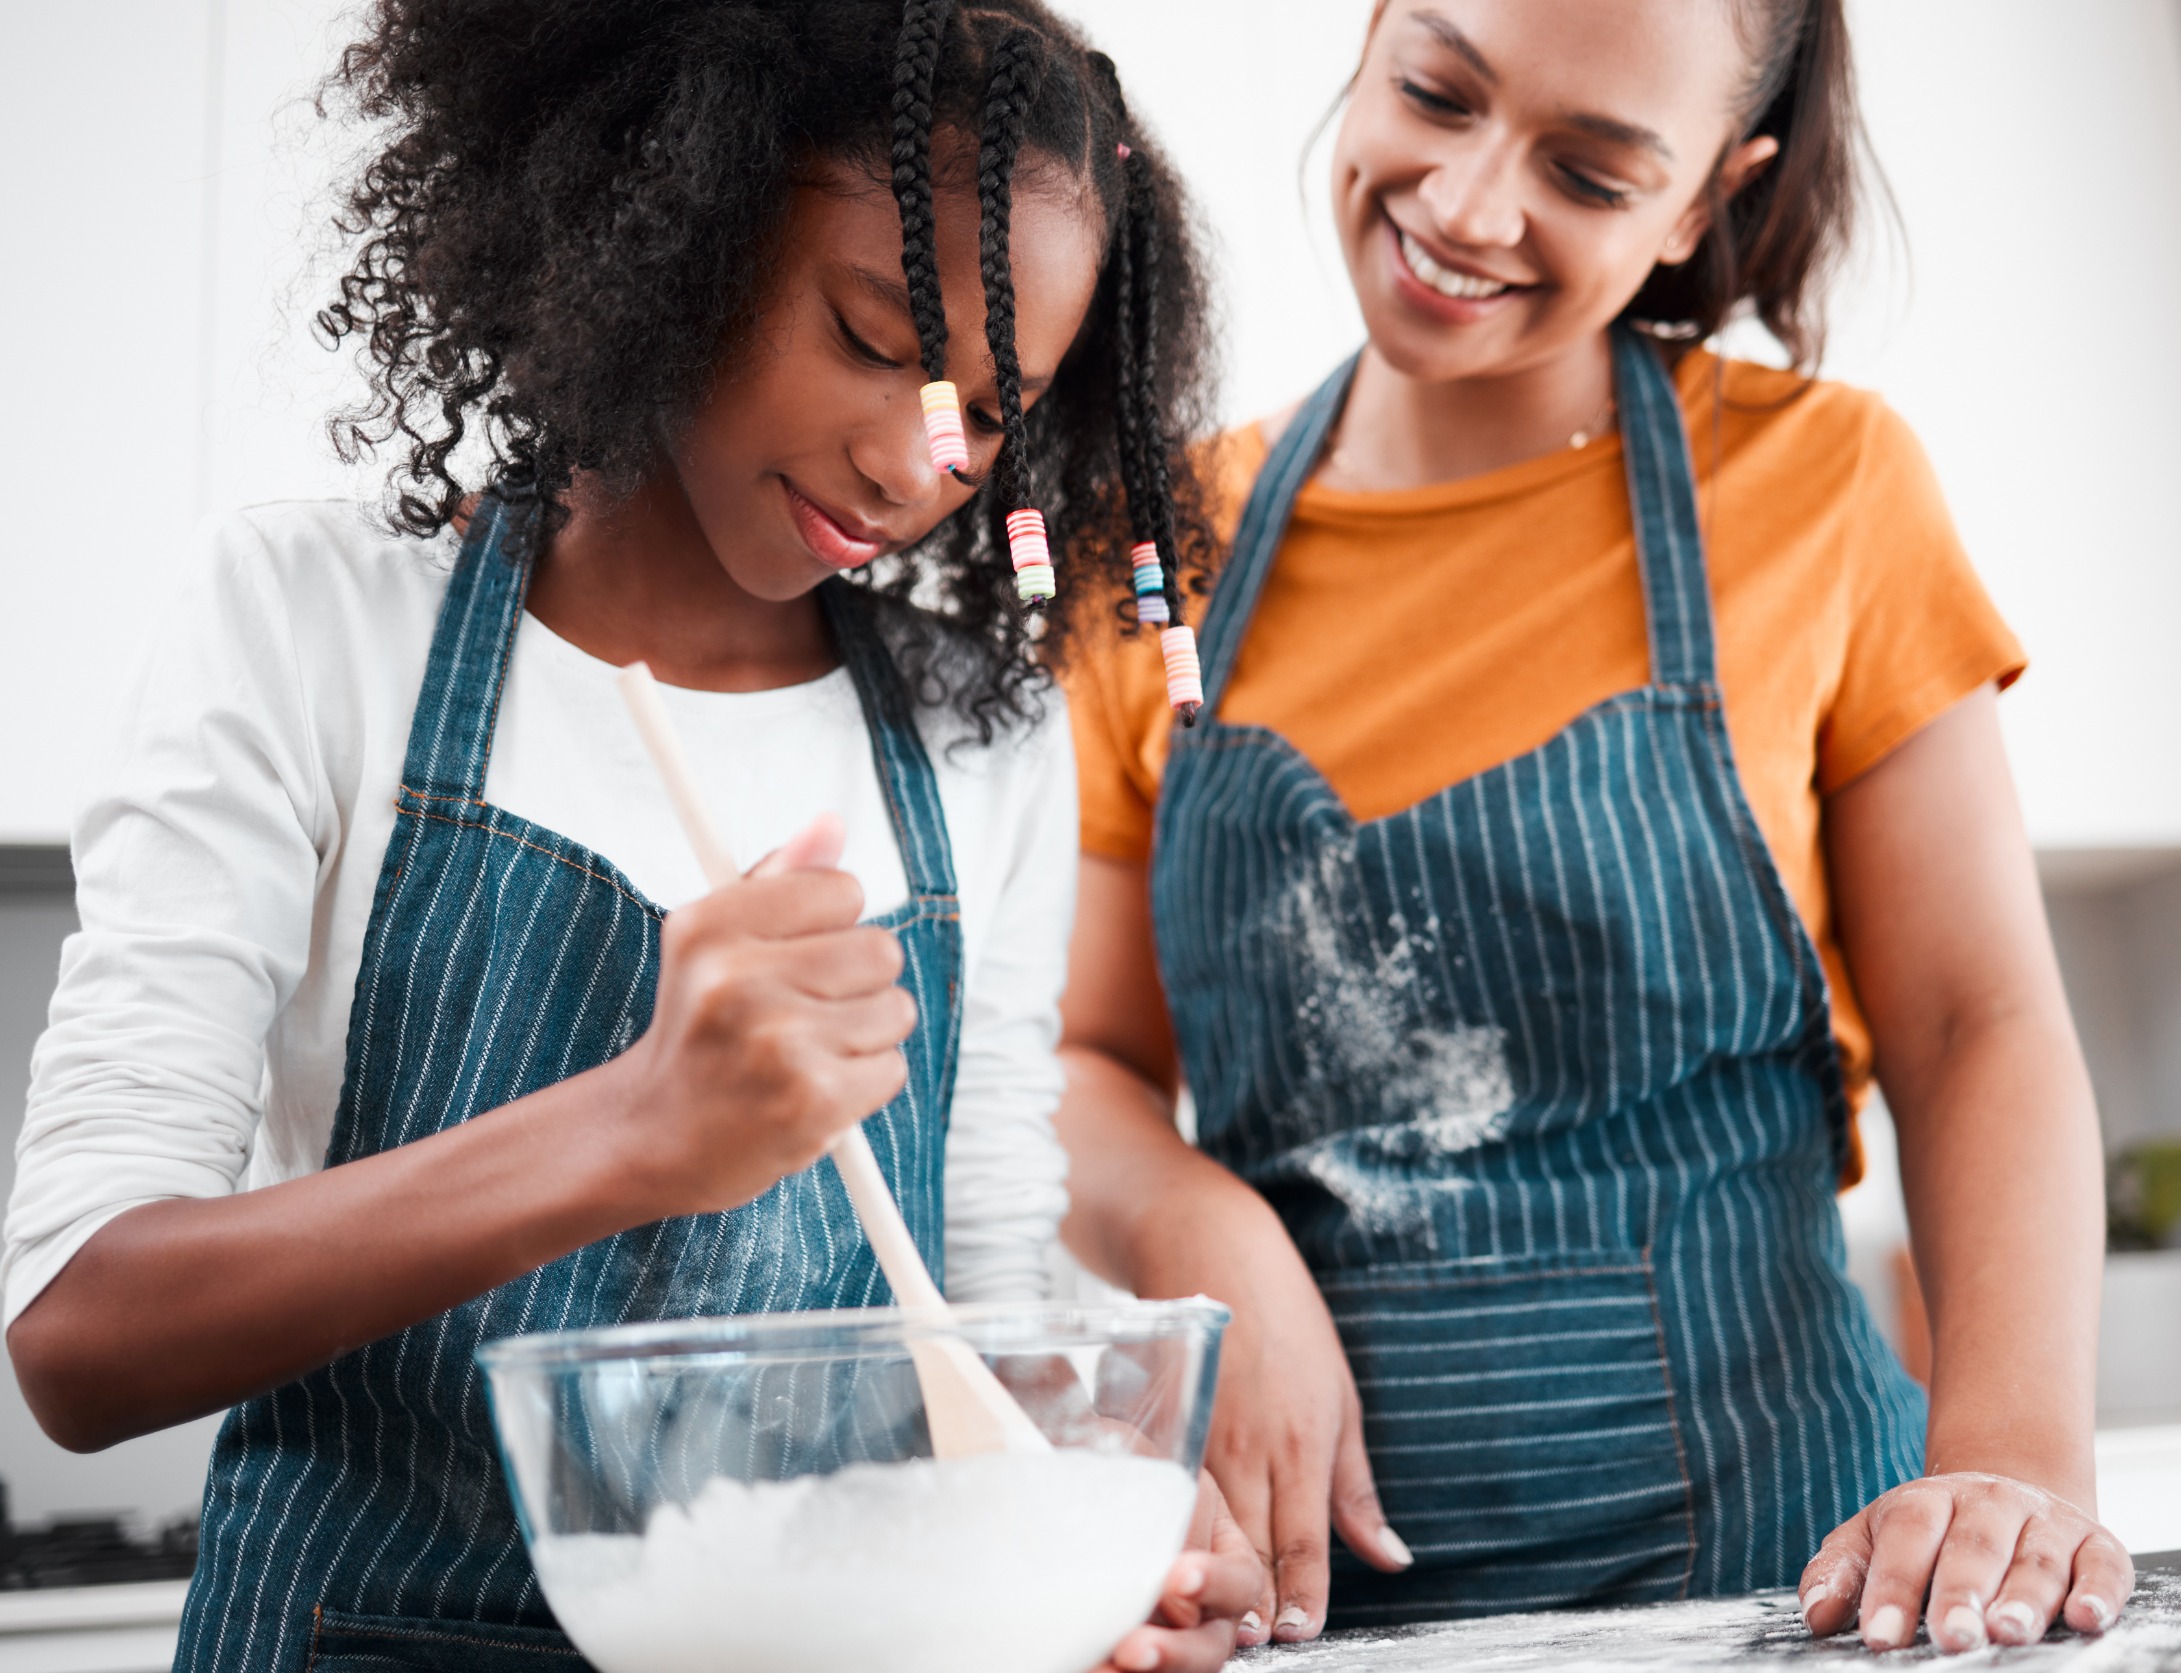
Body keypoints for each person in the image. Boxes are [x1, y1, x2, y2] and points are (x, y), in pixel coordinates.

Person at [2, 3, 1254, 1669]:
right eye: (875, 336)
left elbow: (980, 1314)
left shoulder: (980, 744)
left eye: (983, 410)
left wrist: (1094, 1537)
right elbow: (79, 1332)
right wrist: (635, 1127)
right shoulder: (314, 627)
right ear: (673, 217)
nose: (910, 464)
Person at [1056, 0, 2133, 1653]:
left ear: (1706, 199)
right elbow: (1082, 1065)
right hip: (1314, 1604)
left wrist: (2013, 1463)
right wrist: (1209, 1231)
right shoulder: (1152, 552)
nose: (1474, 209)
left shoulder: (1824, 486)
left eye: (1593, 170)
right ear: (1367, 44)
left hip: (1797, 1575)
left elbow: (1974, 1024)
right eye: (1435, 91)